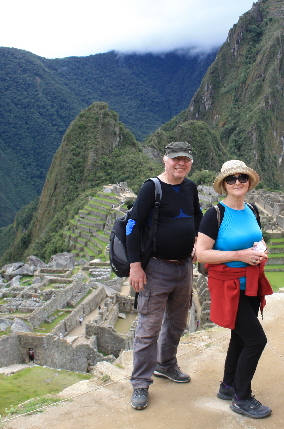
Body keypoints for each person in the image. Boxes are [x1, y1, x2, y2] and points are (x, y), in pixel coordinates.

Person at [127, 142, 203, 410]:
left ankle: (166, 364)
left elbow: (197, 218)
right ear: (165, 160)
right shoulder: (152, 188)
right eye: (175, 159)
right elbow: (133, 225)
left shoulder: (190, 187)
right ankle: (140, 383)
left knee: (178, 322)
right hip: (156, 269)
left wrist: (197, 242)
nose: (180, 163)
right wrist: (135, 266)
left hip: (183, 268)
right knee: (149, 326)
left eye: (185, 159)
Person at [196, 160, 274, 419]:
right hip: (227, 285)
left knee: (240, 338)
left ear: (249, 182)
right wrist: (240, 254)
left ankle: (228, 386)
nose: (238, 182)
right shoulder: (214, 214)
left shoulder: (252, 209)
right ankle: (242, 397)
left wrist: (261, 249)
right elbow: (202, 254)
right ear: (224, 184)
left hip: (249, 283)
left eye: (242, 177)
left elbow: (256, 238)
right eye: (232, 179)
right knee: (256, 340)